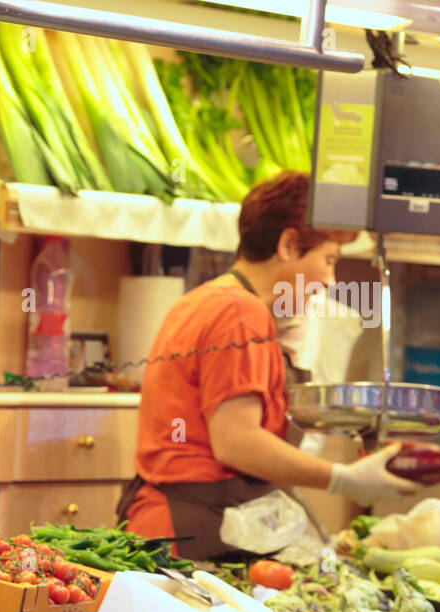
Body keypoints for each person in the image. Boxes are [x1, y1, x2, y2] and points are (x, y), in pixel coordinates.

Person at [115, 172, 421, 560]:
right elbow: (236, 442)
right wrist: (342, 479)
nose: (329, 280)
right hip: (191, 537)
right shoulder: (241, 312)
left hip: (167, 526)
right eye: (328, 261)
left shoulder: (203, 300)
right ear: (288, 245)